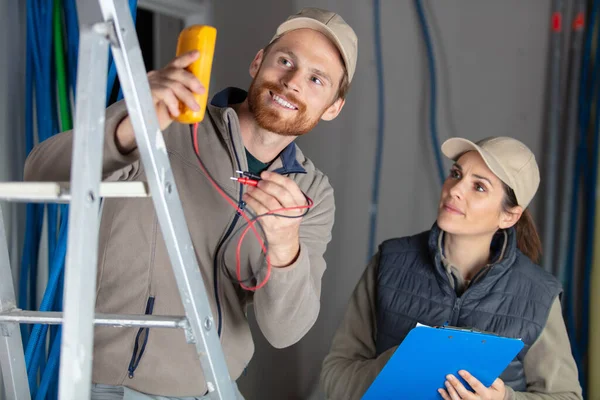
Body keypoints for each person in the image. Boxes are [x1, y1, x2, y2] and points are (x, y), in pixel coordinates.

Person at [24, 7, 357, 400]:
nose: (292, 83)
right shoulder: (167, 123)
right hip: (112, 387)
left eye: (316, 79)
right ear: (257, 62)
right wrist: (133, 128)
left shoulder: (312, 195)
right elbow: (41, 173)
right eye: (285, 61)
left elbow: (286, 331)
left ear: (333, 108)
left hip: (216, 388)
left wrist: (285, 247)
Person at [320, 136, 583, 400]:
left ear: (509, 216)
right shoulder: (390, 262)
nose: (455, 189)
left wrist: (505, 399)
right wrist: (397, 365)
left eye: (479, 187)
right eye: (456, 174)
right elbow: (335, 377)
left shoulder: (538, 294)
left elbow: (566, 396)